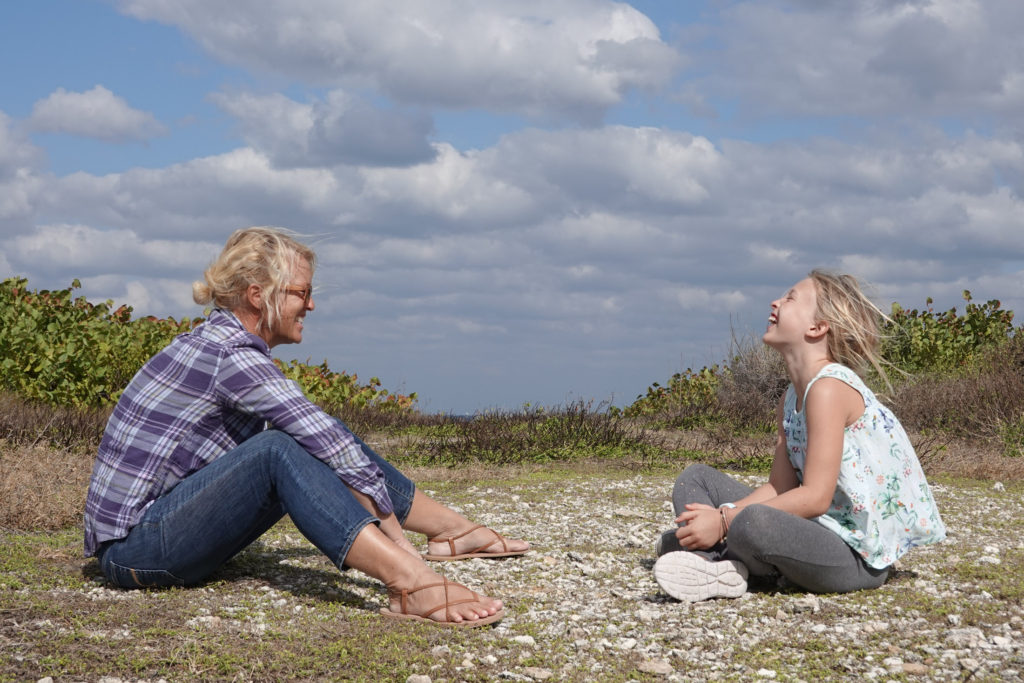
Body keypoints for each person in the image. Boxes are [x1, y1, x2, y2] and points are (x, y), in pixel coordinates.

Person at [84, 226, 528, 627]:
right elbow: (329, 447)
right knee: (280, 447)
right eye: (302, 292)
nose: (311, 304)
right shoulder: (231, 356)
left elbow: (326, 436)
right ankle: (411, 582)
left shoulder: (220, 343)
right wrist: (400, 546)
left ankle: (449, 529)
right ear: (259, 296)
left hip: (148, 531)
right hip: (134, 551)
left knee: (314, 433)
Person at [652, 270, 945, 602]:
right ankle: (714, 559)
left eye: (790, 298)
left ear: (817, 327)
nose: (775, 302)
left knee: (751, 523)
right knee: (697, 478)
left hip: (852, 556)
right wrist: (721, 520)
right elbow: (780, 487)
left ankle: (714, 560)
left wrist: (723, 520)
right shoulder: (791, 397)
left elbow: (816, 497)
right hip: (814, 527)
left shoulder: (829, 389)